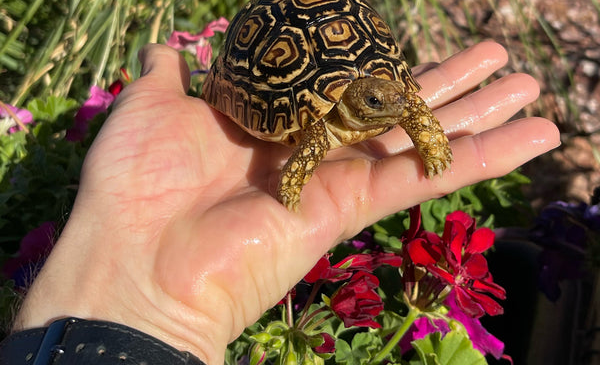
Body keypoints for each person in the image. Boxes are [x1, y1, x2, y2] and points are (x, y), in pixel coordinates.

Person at [2, 42, 560, 364]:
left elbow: (401, 104)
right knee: (321, 139)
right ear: (352, 99)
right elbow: (322, 137)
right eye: (374, 101)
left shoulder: (388, 99)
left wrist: (432, 140)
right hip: (285, 73)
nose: (392, 107)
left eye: (395, 99)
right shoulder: (323, 123)